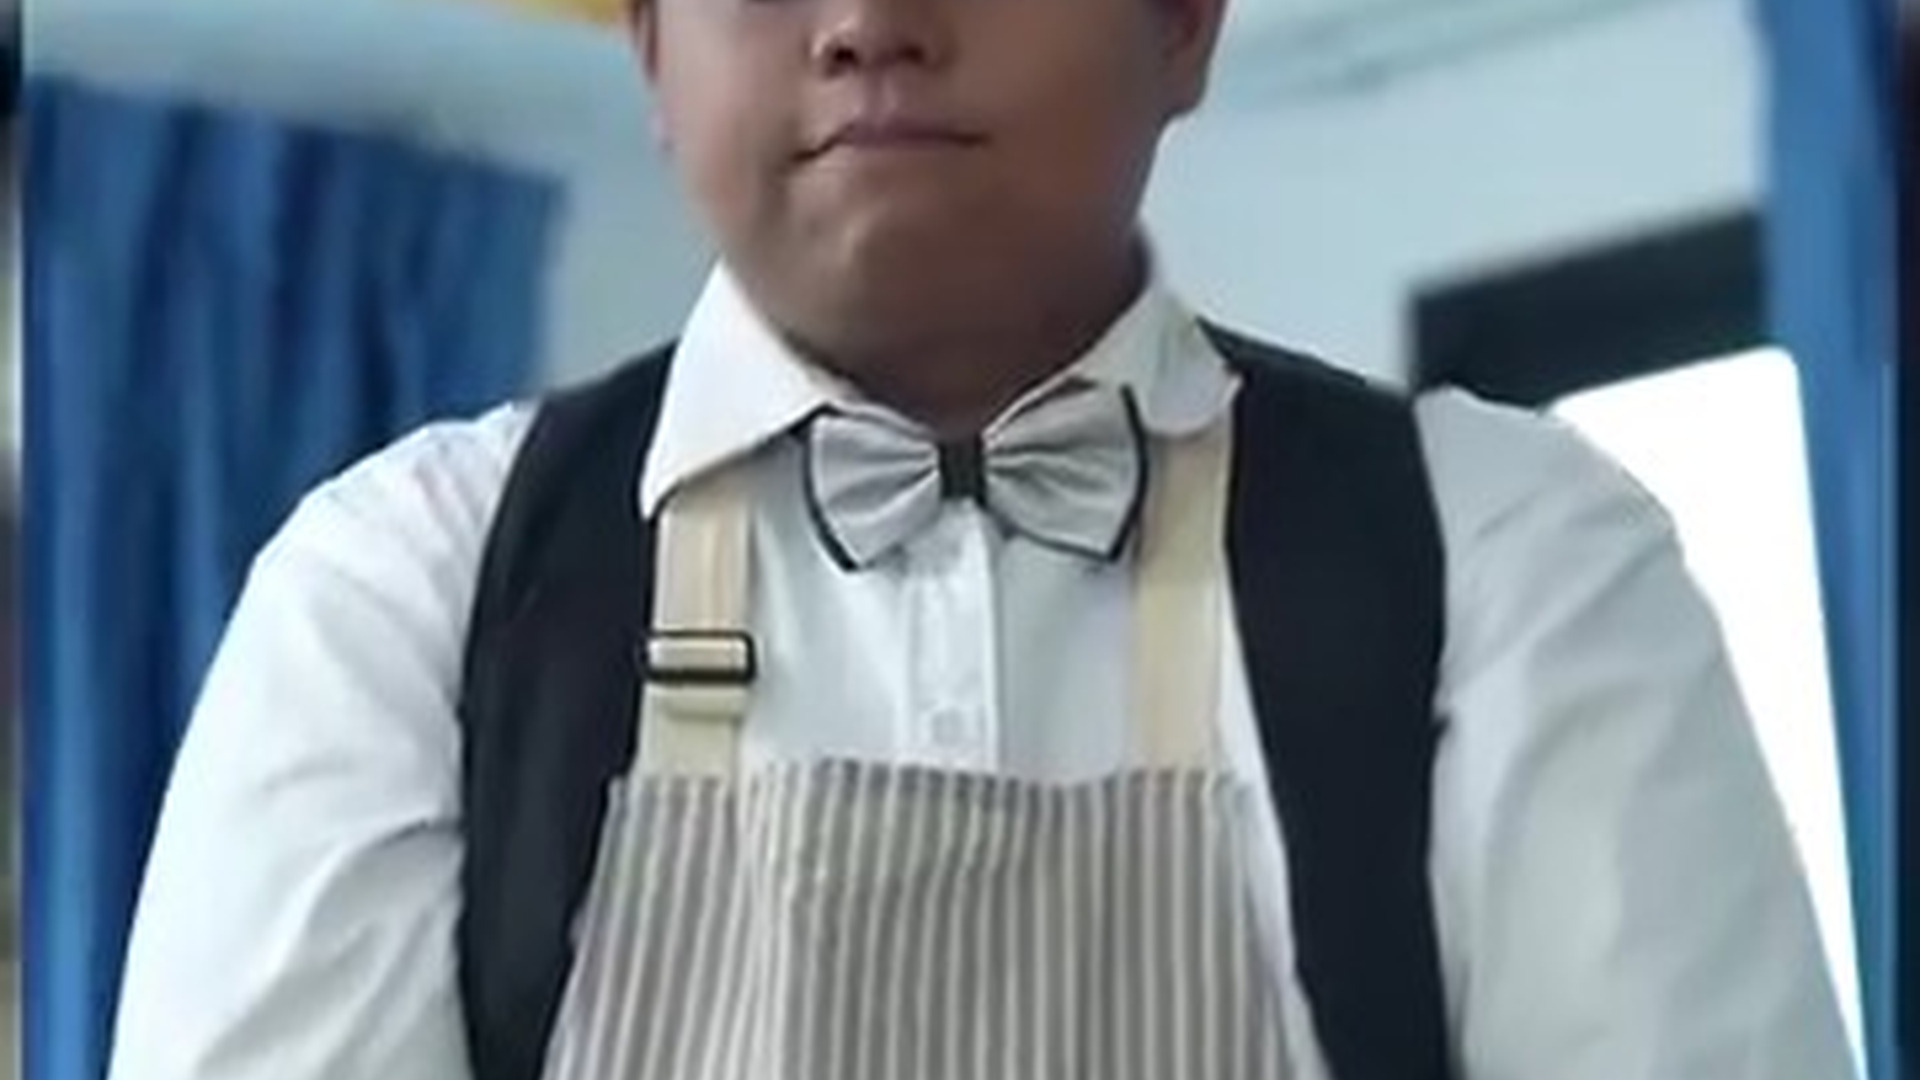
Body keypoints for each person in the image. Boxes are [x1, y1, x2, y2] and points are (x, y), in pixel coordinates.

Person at [107, 0, 1855, 1072]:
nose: (867, 20)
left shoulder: (1511, 559)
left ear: (1186, 20)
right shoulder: (402, 593)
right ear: (650, 50)